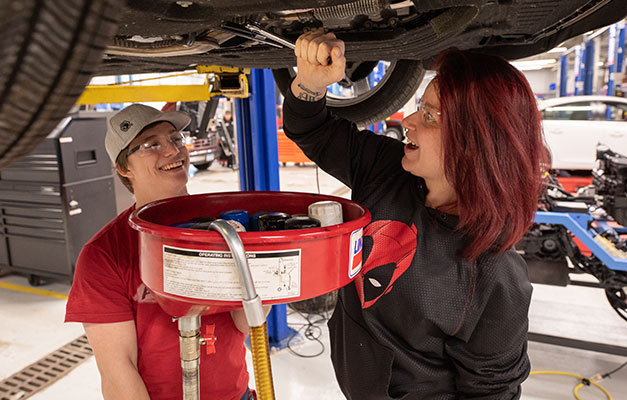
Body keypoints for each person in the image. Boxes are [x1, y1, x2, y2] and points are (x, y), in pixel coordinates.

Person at [283, 31, 549, 399]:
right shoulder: (386, 170)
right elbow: (310, 128)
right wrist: (310, 86)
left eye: (429, 115)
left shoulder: (494, 276)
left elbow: (492, 393)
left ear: (474, 143)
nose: (407, 120)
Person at [65, 104, 253, 400]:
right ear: (124, 168)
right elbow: (118, 371)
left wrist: (255, 254)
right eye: (152, 144)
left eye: (176, 138)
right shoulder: (104, 255)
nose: (172, 151)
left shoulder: (225, 228)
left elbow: (248, 322)